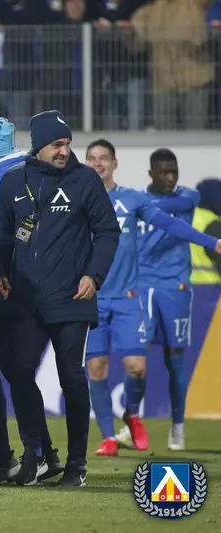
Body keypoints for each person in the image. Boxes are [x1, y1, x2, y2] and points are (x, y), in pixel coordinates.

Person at [0, 111, 120, 487]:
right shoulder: (14, 182)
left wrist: (93, 275)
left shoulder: (84, 180)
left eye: (67, 144)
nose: (64, 151)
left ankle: (77, 464)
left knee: (72, 378)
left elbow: (108, 231)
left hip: (72, 297)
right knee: (18, 370)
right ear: (38, 146)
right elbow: (2, 232)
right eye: (56, 145)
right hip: (27, 298)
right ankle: (37, 454)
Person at [85, 140, 221, 457]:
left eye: (103, 158)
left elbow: (169, 223)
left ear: (115, 163)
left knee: (137, 368)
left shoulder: (131, 200)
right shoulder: (78, 201)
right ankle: (108, 438)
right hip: (92, 298)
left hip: (127, 297)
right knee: (97, 368)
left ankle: (132, 415)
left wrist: (210, 242)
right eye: (91, 158)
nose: (98, 163)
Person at [0, 117, 62, 484]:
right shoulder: (36, 173)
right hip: (38, 285)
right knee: (15, 369)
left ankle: (4, 456)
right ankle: (43, 452)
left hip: (1, 283)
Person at [116, 149, 210, 451]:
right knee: (137, 358)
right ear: (151, 174)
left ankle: (177, 427)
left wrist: (144, 205)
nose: (170, 178)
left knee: (175, 359)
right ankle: (131, 422)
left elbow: (181, 203)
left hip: (175, 286)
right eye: (164, 172)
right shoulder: (139, 200)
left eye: (174, 172)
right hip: (141, 287)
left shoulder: (188, 196)